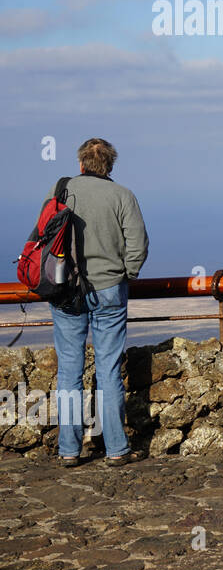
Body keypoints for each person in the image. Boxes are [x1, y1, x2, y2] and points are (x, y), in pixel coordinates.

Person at [46, 138, 149, 467]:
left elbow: (45, 236)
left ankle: (69, 449)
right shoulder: (122, 196)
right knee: (107, 372)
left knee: (69, 373)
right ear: (110, 166)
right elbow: (138, 244)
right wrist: (126, 274)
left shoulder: (62, 190)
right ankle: (117, 449)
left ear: (80, 164)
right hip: (108, 291)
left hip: (66, 290)